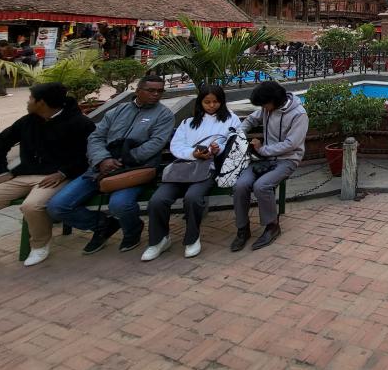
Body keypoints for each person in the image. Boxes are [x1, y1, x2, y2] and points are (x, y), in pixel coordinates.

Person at [47, 75, 174, 254]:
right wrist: (102, 159)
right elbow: (96, 137)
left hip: (134, 170)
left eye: (160, 91)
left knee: (120, 205)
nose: (156, 94)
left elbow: (156, 143)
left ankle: (132, 230)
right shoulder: (118, 111)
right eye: (151, 90)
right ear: (138, 91)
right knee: (57, 207)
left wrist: (124, 160)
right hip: (100, 169)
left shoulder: (163, 114)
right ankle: (103, 225)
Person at [0, 83, 94, 270]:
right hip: (23, 175)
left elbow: (87, 155)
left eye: (31, 98)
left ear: (41, 102)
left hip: (56, 177)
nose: (28, 101)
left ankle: (40, 246)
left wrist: (63, 172)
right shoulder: (28, 121)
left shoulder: (80, 123)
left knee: (31, 206)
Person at [142, 85, 237, 261]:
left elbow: (234, 141)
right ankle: (158, 240)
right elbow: (176, 145)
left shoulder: (231, 119)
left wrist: (217, 149)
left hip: (208, 169)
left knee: (192, 198)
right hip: (182, 169)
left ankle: (192, 238)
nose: (211, 106)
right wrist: (193, 154)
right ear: (200, 102)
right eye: (207, 102)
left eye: (216, 101)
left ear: (222, 102)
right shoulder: (188, 123)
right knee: (157, 200)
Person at [231, 81, 307, 251]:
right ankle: (243, 228)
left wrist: (263, 149)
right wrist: (239, 135)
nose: (263, 108)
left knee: (261, 186)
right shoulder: (267, 108)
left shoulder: (299, 115)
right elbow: (251, 119)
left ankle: (272, 226)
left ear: (275, 100)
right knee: (240, 185)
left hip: (287, 159)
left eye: (265, 104)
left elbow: (291, 144)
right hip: (263, 159)